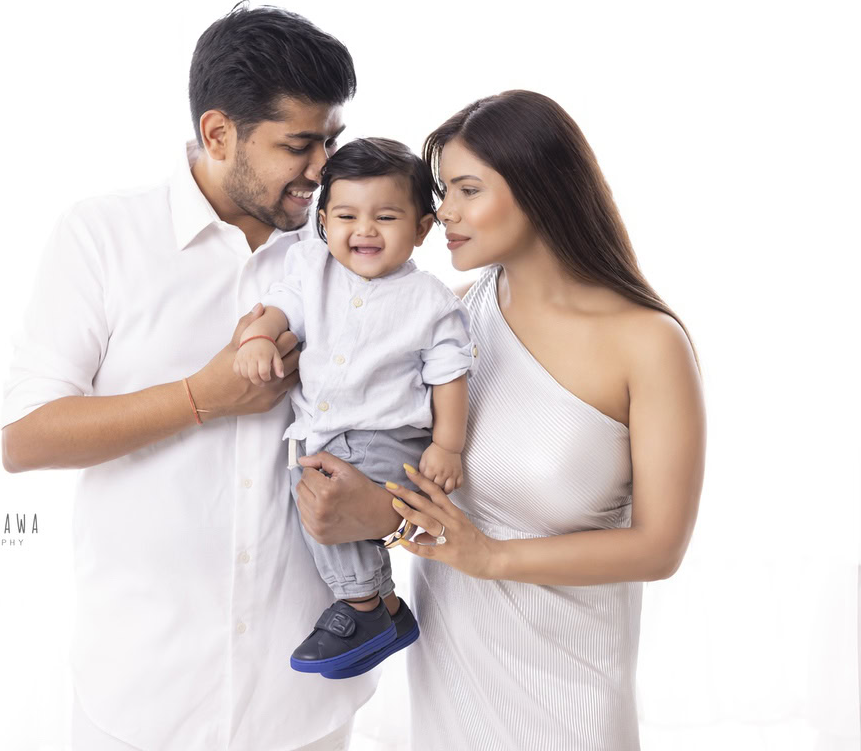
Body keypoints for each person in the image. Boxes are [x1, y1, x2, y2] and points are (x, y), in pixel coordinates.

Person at [0, 4, 370, 750]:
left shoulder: (352, 251)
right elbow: (26, 439)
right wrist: (202, 398)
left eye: (333, 140)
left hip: (303, 704)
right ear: (216, 133)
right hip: (141, 697)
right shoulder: (102, 238)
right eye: (299, 145)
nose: (323, 169)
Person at [294, 90, 705, 749]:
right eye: (440, 191)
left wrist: (490, 557)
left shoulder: (648, 344)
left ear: (540, 187)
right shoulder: (449, 319)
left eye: (466, 189)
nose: (442, 211)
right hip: (450, 673)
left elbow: (660, 548)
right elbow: (416, 477)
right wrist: (368, 509)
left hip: (569, 687)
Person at [232, 137, 475, 677]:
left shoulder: (431, 301)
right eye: (345, 215)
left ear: (421, 228)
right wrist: (260, 337)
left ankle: (362, 605)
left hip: (390, 436)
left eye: (385, 217)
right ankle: (387, 609)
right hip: (322, 431)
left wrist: (447, 445)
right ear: (323, 220)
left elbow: (449, 375)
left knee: (325, 506)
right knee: (317, 502)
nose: (364, 230)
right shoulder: (312, 267)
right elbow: (281, 307)